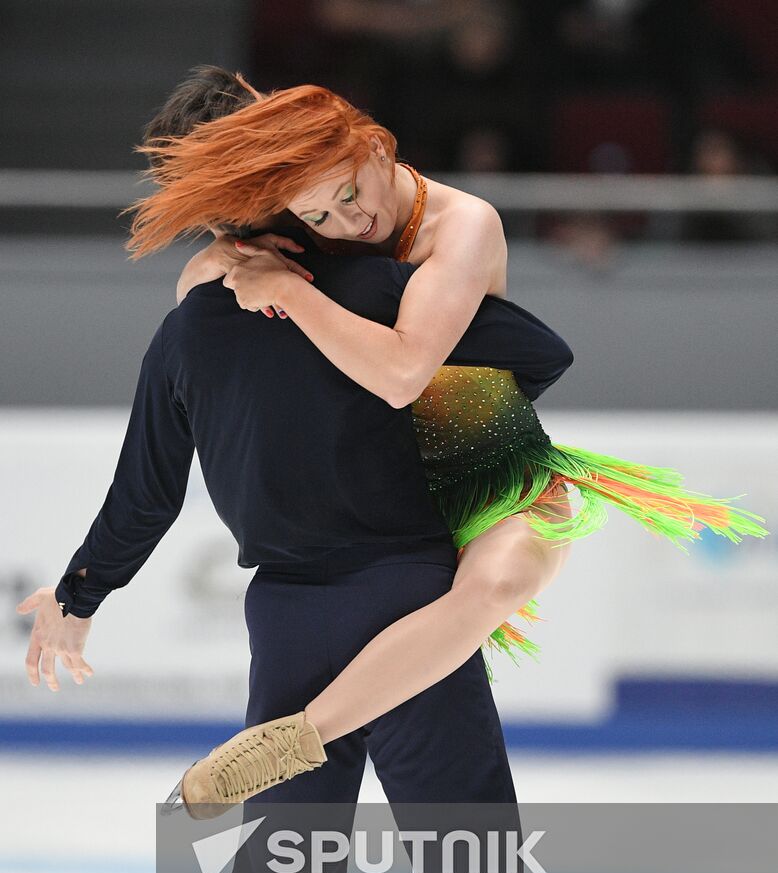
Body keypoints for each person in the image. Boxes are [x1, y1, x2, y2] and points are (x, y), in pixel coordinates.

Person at [15, 114, 578, 873]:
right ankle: (308, 739)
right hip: (409, 588)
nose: (344, 220)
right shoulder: (389, 287)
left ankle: (296, 760)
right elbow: (540, 353)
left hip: (284, 611)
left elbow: (147, 493)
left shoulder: (187, 332)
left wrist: (80, 595)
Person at [123, 78, 768, 810]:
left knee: (497, 584)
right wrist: (229, 261)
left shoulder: (462, 223)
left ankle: (281, 747)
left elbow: (403, 371)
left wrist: (288, 290)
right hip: (375, 492)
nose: (348, 218)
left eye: (348, 194)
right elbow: (199, 296)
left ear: (371, 147)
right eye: (317, 210)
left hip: (484, 460)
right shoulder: (288, 227)